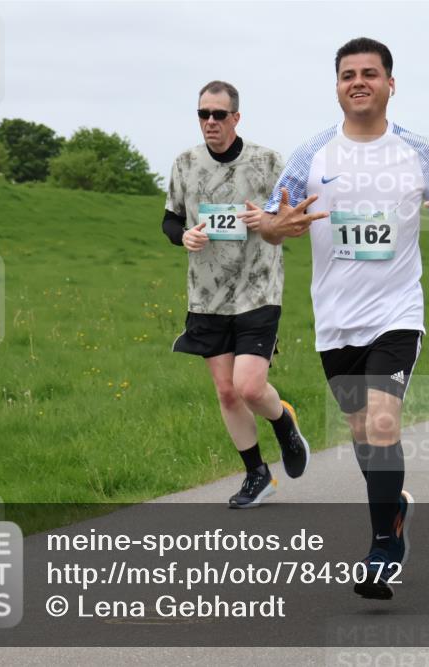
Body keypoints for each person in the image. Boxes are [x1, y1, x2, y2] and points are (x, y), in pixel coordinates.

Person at [252, 38, 429, 599]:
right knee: (361, 432)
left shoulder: (418, 153)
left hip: (397, 311)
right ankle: (393, 503)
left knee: (380, 424)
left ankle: (382, 546)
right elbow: (272, 222)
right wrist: (278, 226)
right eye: (348, 74)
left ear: (390, 84)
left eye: (370, 73)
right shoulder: (310, 157)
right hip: (335, 318)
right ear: (337, 86)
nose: (359, 81)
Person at [162, 80, 310, 509]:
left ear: (236, 118)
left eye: (218, 115)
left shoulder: (267, 162)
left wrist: (265, 218)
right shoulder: (185, 164)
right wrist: (184, 235)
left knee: (248, 387)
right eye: (203, 114)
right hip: (207, 296)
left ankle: (283, 421)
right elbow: (169, 221)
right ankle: (257, 475)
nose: (210, 122)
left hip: (258, 288)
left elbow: (291, 216)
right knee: (226, 392)